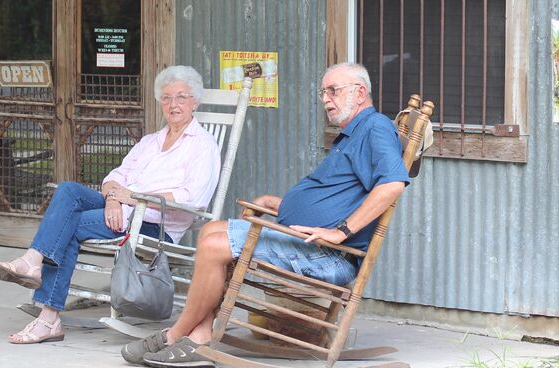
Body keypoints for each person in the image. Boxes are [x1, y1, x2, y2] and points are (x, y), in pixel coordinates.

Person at [121, 62, 410, 367]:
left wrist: (341, 231)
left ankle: (174, 334)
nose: (325, 98)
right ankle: (201, 334)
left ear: (360, 92)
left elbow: (392, 184)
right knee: (212, 231)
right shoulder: (353, 134)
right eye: (324, 91)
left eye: (333, 90)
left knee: (213, 245)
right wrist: (284, 205)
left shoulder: (374, 127)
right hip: (307, 243)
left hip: (329, 254)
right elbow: (339, 194)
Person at [0, 65, 221, 345]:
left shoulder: (203, 145)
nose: (173, 104)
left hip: (153, 225)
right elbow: (116, 176)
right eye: (167, 98)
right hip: (121, 207)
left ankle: (47, 314)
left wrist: (132, 199)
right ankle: (33, 264)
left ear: (194, 101)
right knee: (68, 190)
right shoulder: (150, 141)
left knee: (68, 226)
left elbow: (193, 198)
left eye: (181, 97)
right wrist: (113, 198)